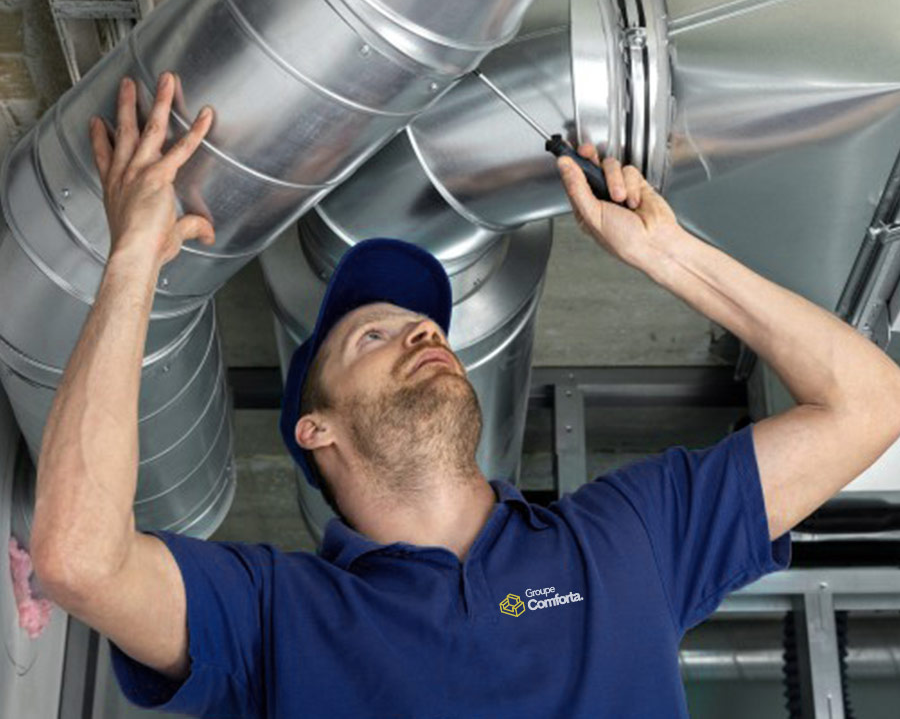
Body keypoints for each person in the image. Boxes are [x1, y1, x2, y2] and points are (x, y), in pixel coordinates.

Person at [29, 72, 900, 718]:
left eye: (428, 328)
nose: (422, 331)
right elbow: (77, 556)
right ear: (314, 427)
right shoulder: (269, 613)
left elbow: (868, 401)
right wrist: (135, 256)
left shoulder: (629, 535)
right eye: (373, 334)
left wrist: (667, 255)